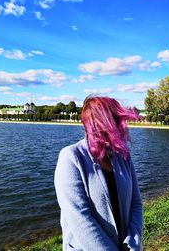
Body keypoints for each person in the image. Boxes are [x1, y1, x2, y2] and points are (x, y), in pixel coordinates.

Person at [54, 96, 143, 251]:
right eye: (116, 121)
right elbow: (79, 218)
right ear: (98, 125)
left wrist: (133, 243)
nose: (123, 127)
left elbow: (136, 203)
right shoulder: (71, 157)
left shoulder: (123, 156)